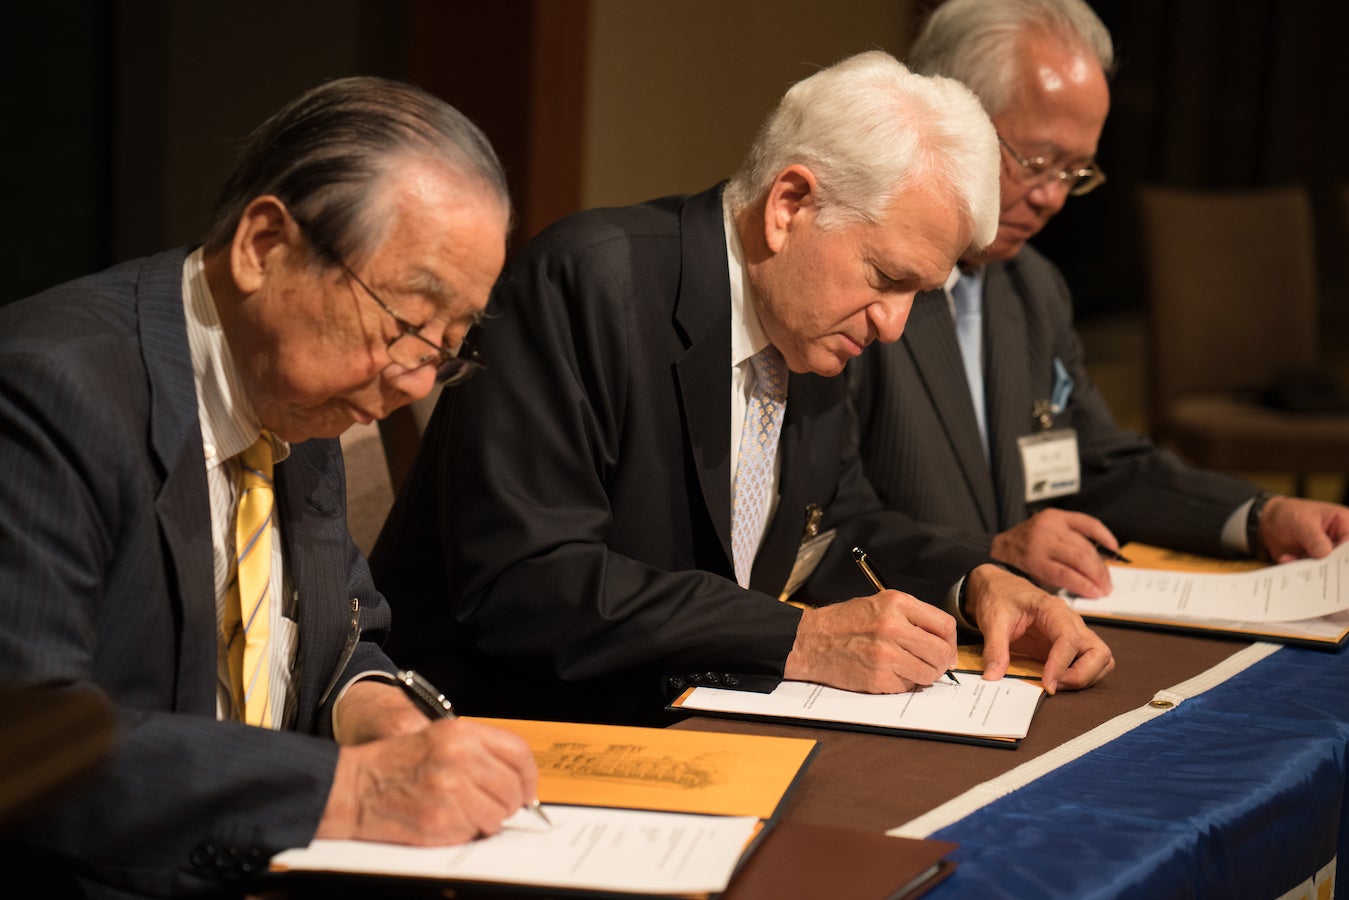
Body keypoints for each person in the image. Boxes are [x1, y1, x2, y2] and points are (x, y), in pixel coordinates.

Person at [371, 51, 1114, 728]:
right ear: (789, 204)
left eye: (918, 295)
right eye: (886, 279)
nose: (892, 327)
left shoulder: (815, 325)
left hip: (702, 721)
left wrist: (975, 582)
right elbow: (526, 584)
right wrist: (795, 636)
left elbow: (836, 528)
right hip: (510, 733)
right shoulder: (589, 283)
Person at [0, 77, 539, 898]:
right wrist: (358, 789)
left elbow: (342, 632)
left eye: (449, 344)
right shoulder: (48, 392)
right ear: (263, 245)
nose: (417, 380)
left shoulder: (304, 392)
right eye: (404, 323)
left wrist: (379, 714)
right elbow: (26, 739)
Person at [847, 0, 1349, 600]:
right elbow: (821, 521)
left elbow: (1097, 463)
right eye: (1037, 163)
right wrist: (990, 553)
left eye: (1075, 172)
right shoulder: (862, 285)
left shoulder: (1032, 287)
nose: (1053, 198)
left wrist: (1258, 515)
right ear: (945, 118)